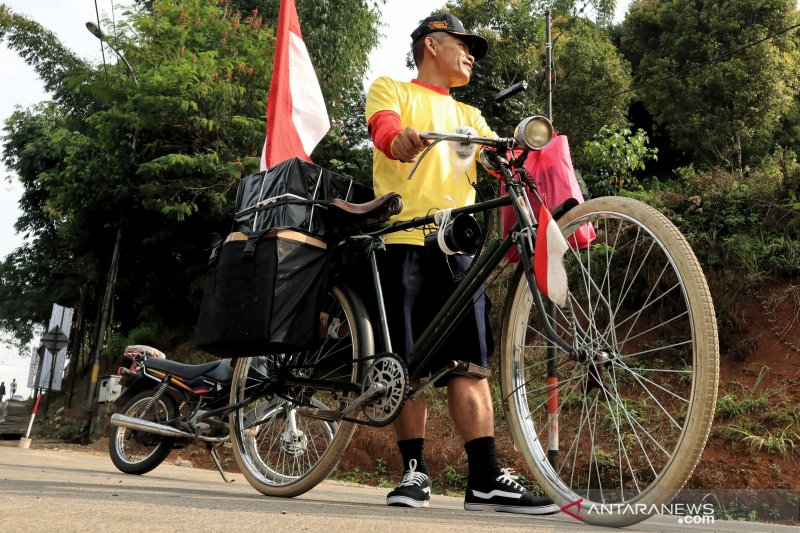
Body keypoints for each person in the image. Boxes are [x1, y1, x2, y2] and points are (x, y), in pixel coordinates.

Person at [365, 13, 560, 515]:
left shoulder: (470, 116)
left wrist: (521, 153)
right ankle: (413, 472)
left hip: (457, 251)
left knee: (471, 365)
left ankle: (485, 478)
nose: (471, 54)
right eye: (463, 44)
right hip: (403, 238)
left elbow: (499, 158)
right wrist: (400, 138)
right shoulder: (392, 88)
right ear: (432, 44)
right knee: (404, 364)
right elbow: (384, 128)